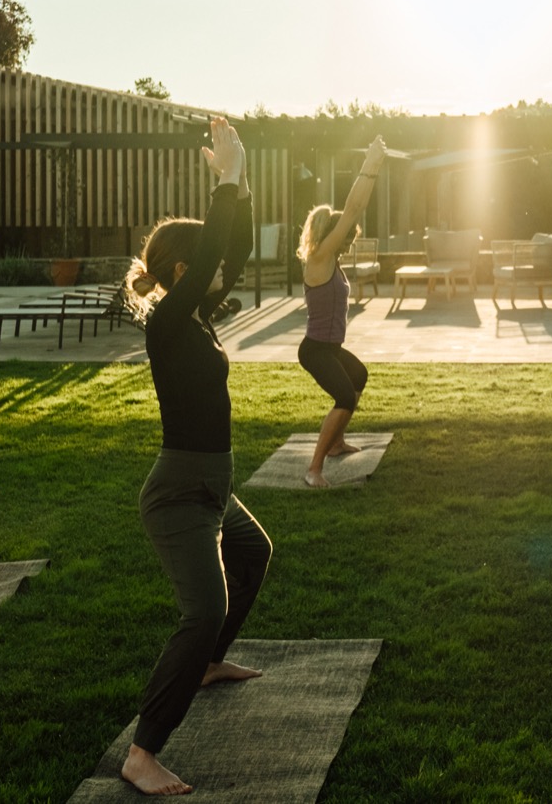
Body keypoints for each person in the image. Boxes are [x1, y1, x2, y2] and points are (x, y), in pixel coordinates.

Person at [119, 116, 271, 797]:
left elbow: (228, 252)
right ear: (181, 270)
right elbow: (216, 256)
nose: (218, 273)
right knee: (202, 608)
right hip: (180, 492)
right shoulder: (168, 322)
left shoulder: (198, 317)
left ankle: (207, 664)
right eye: (200, 266)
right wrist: (230, 183)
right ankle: (142, 751)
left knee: (254, 553)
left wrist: (238, 183)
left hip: (214, 485)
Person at [294, 135, 387, 487]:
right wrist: (371, 165)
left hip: (329, 348)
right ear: (333, 236)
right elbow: (352, 210)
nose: (348, 244)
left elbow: (351, 218)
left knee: (358, 376)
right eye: (345, 238)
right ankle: (313, 468)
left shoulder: (330, 262)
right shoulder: (319, 258)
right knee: (344, 396)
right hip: (315, 350)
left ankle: (336, 445)